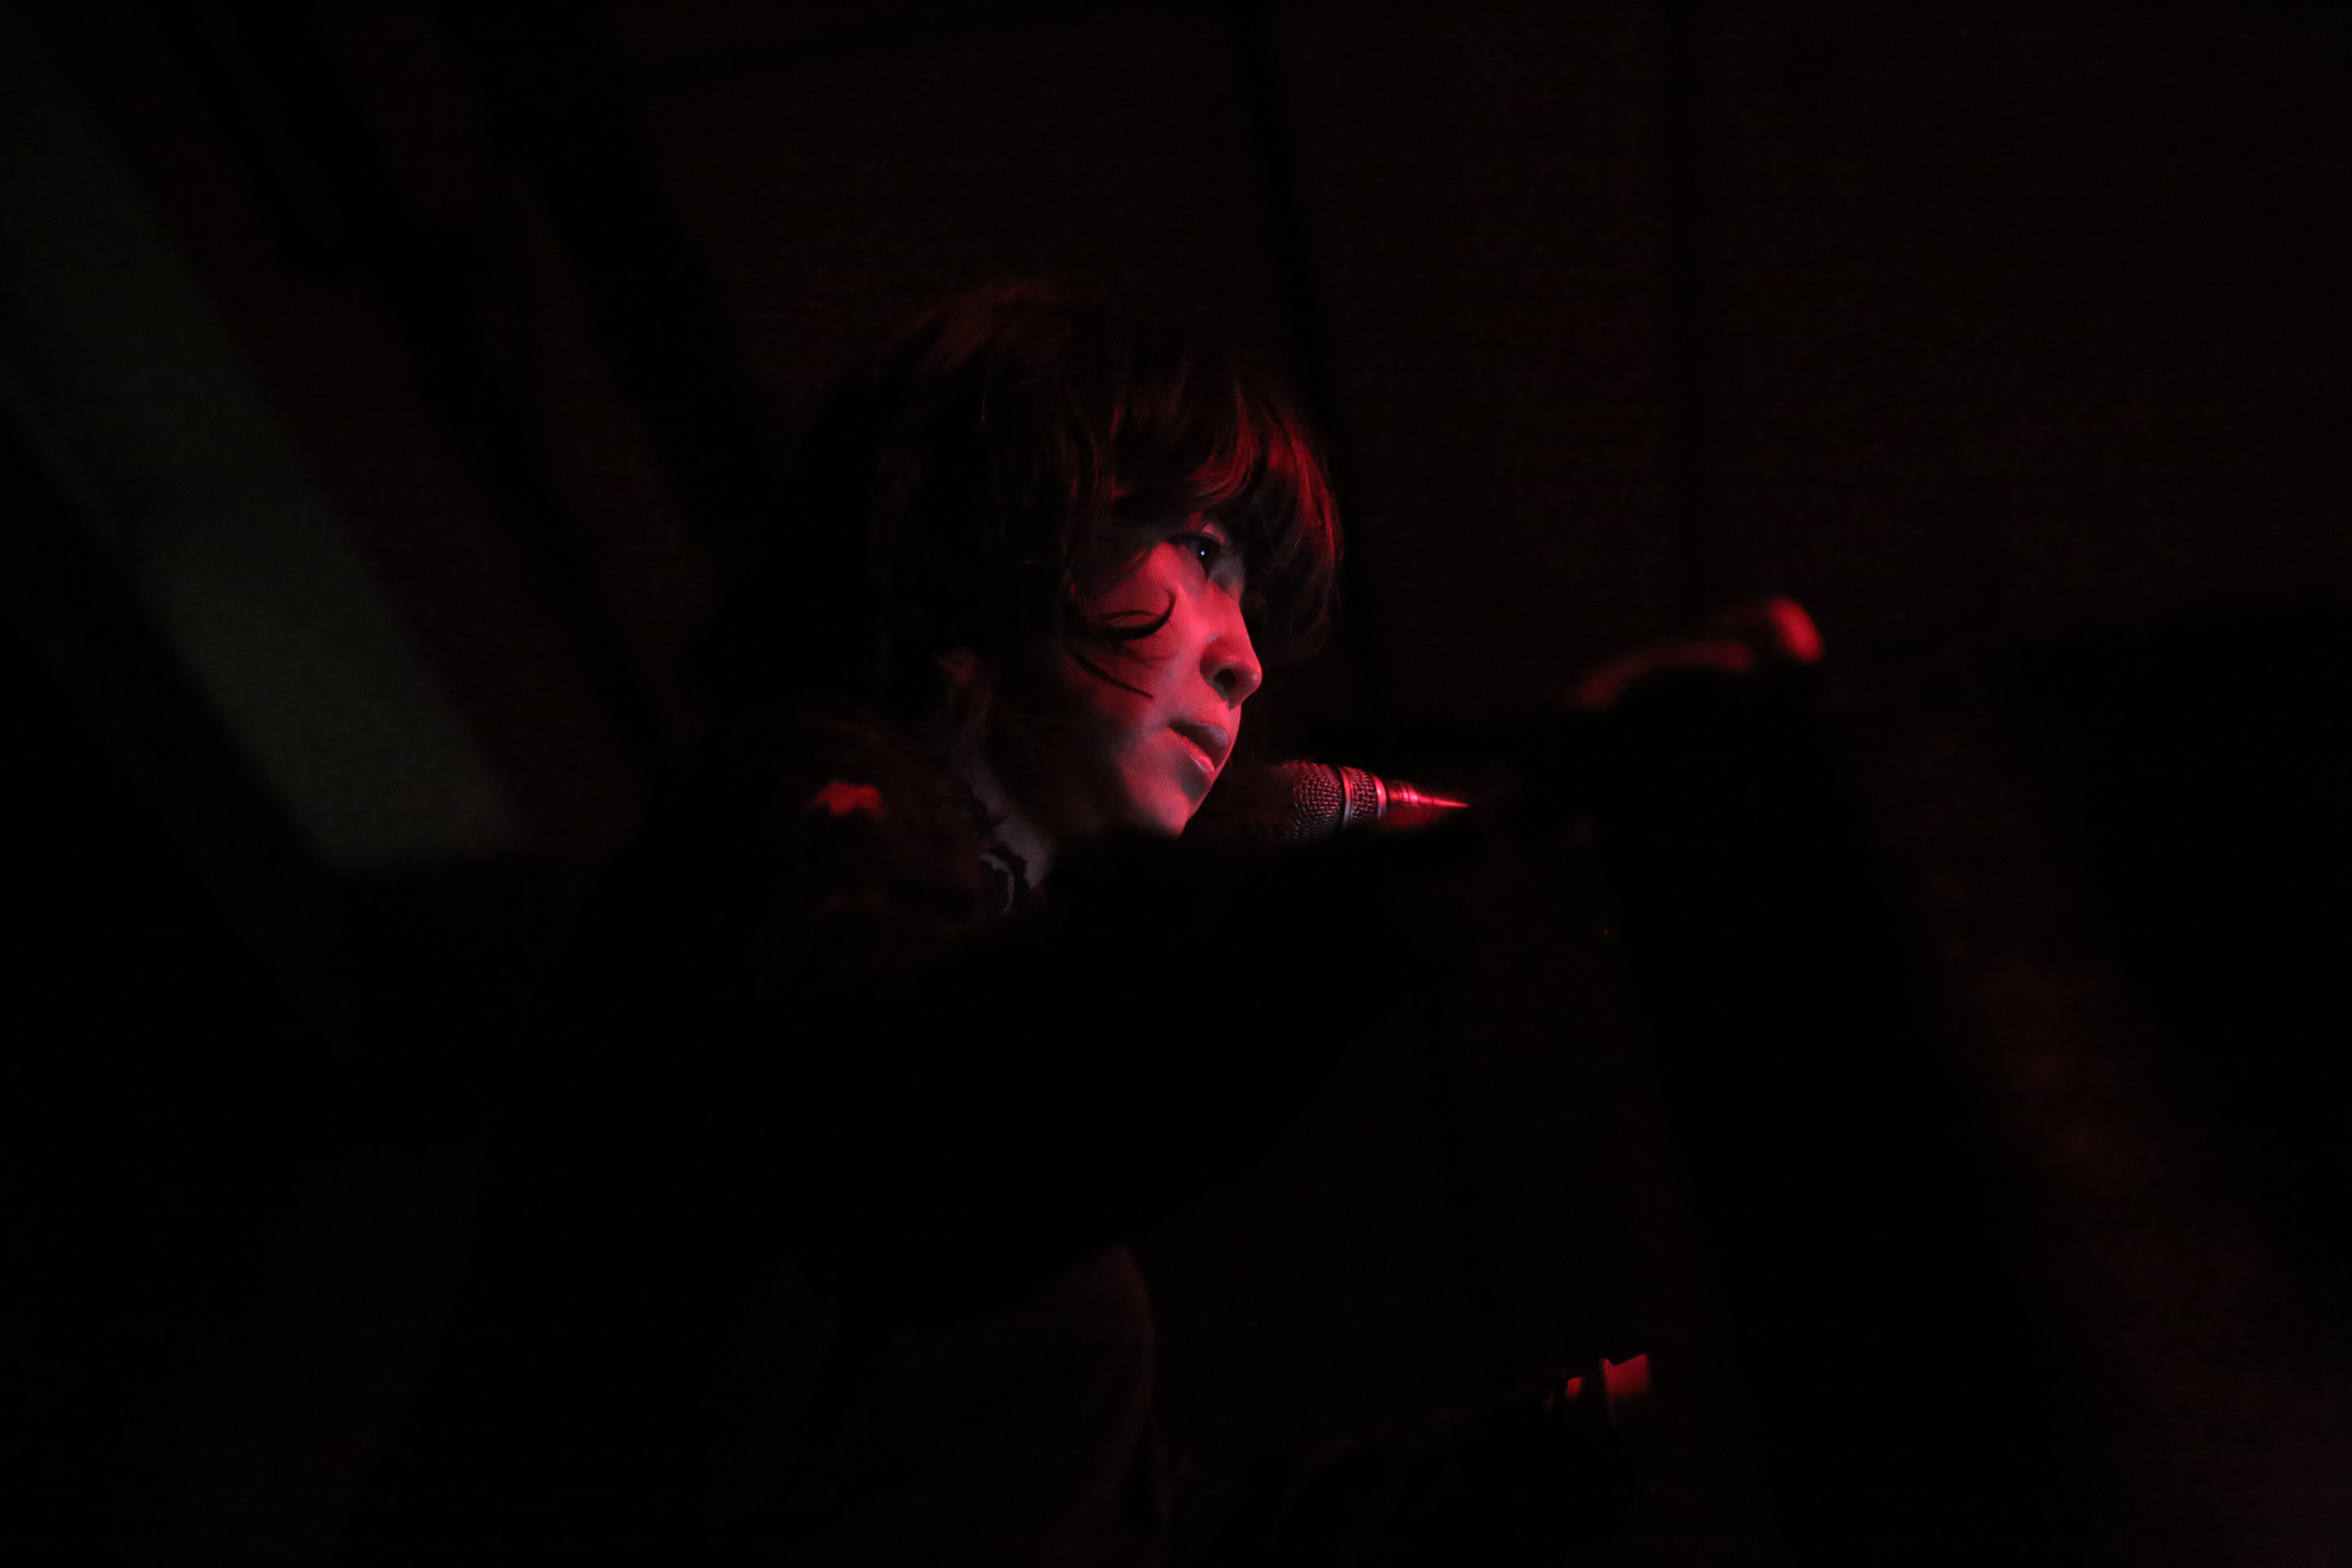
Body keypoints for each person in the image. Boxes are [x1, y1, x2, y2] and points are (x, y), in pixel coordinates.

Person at [347, 283, 1639, 1566]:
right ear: (1021, 514)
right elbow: (908, 1138)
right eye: (1201, 551)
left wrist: (1608, 1434)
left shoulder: (986, 1002)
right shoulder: (793, 810)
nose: (1247, 657)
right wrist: (1386, 901)